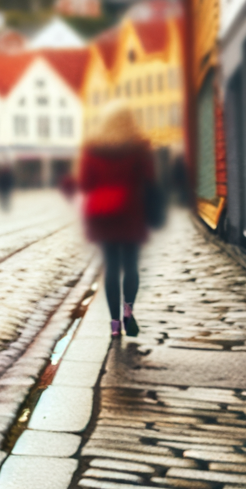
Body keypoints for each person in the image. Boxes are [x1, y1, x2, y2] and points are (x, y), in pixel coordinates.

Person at [77, 103, 156, 337]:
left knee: (111, 268)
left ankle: (114, 326)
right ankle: (128, 311)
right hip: (131, 213)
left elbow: (85, 182)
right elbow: (149, 179)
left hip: (104, 216)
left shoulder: (92, 148)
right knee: (131, 266)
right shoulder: (140, 147)